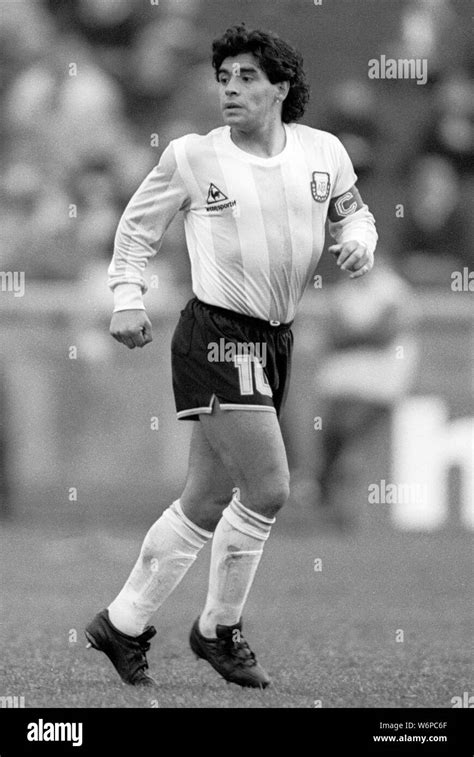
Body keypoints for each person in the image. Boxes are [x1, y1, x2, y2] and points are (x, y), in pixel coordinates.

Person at [85, 24, 377, 689]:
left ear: (281, 87)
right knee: (272, 485)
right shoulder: (193, 156)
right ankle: (218, 627)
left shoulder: (323, 151)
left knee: (208, 495)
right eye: (224, 78)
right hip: (218, 333)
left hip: (275, 338)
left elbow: (354, 213)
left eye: (247, 77)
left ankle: (122, 622)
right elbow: (135, 227)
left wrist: (360, 240)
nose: (231, 90)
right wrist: (127, 295)